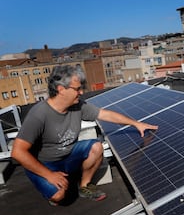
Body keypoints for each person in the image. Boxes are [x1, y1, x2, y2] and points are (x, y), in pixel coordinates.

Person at [11, 64, 158, 206]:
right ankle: (51, 188)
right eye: (77, 89)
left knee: (96, 147)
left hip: (68, 155)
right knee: (59, 196)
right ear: (61, 89)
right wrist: (49, 175)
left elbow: (104, 114)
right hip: (45, 164)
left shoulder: (78, 106)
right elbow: (18, 152)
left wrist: (136, 123)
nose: (81, 92)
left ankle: (84, 185)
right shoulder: (39, 114)